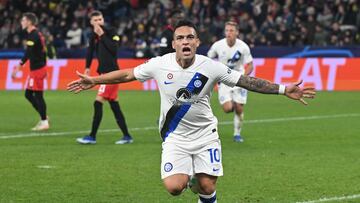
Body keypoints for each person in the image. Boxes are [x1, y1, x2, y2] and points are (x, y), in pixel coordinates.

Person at [68, 20, 315, 202]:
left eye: (190, 37)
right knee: (174, 187)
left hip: (206, 134)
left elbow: (246, 81)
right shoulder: (159, 64)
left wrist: (284, 89)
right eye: (181, 38)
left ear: (197, 42)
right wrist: (95, 80)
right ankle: (191, 179)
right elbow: (127, 74)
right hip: (175, 137)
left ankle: (200, 183)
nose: (185, 41)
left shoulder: (211, 67)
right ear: (174, 43)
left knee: (207, 187)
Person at [76, 10, 133, 145]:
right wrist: (88, 67)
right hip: (103, 74)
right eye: (95, 20)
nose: (98, 22)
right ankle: (127, 136)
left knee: (98, 102)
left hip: (112, 74)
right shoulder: (93, 36)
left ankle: (92, 136)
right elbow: (90, 51)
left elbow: (114, 49)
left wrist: (102, 35)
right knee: (114, 106)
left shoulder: (111, 32)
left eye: (100, 19)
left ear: (103, 20)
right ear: (91, 22)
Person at [207, 21, 254, 143]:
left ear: (237, 32)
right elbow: (208, 59)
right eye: (227, 30)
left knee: (239, 109)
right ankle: (232, 102)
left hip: (239, 80)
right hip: (224, 80)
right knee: (228, 109)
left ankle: (237, 134)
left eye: (231, 30)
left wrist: (243, 77)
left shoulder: (243, 47)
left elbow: (250, 65)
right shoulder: (218, 45)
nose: (229, 33)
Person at [12, 12, 49, 131]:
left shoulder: (33, 35)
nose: (21, 22)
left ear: (29, 22)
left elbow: (28, 53)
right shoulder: (36, 34)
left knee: (38, 96)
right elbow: (42, 52)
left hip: (37, 70)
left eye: (23, 20)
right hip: (38, 68)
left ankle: (44, 122)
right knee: (28, 94)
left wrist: (18, 66)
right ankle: (44, 116)